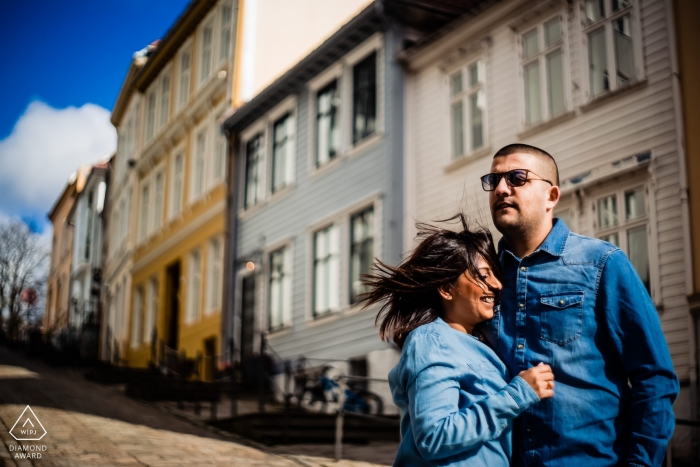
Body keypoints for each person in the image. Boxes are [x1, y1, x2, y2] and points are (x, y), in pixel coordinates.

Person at [477, 144, 679, 467]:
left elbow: (654, 379)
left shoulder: (602, 264)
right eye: (494, 179)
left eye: (517, 177)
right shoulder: (483, 279)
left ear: (552, 196)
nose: (501, 188)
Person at [362, 214, 554, 466]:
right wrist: (518, 395)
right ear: (446, 288)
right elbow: (434, 437)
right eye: (484, 275)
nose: (497, 285)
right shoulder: (431, 341)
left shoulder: (473, 342)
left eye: (496, 275)